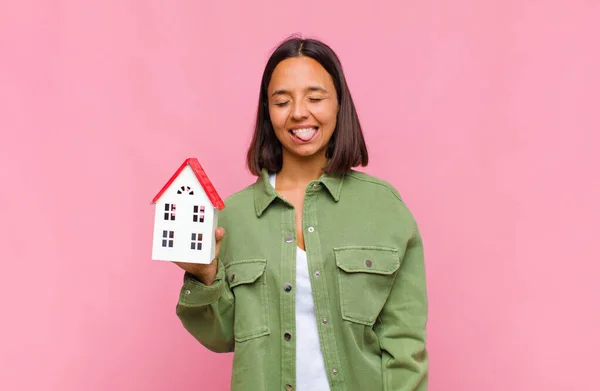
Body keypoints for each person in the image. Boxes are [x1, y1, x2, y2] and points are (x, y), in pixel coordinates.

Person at [174, 36, 428, 391]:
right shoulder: (233, 217)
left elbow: (404, 344)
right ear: (268, 112)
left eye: (315, 97)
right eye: (282, 101)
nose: (298, 112)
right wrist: (205, 277)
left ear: (339, 104)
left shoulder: (384, 209)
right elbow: (221, 337)